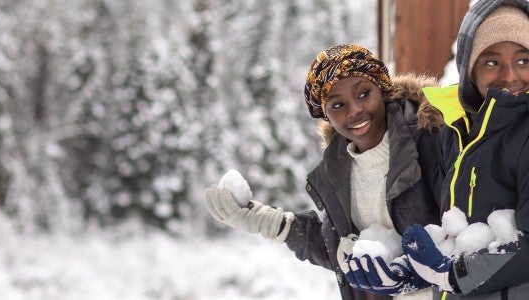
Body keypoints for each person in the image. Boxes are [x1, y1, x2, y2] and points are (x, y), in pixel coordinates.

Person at [204, 44, 444, 300]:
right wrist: (268, 221)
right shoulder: (337, 171)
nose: (354, 111)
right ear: (325, 114)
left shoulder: (431, 142)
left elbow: (463, 238)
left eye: (363, 94)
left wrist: (408, 272)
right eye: (338, 105)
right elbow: (335, 247)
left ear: (382, 90)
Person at [345, 1, 529, 299]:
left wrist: (452, 273)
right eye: (492, 62)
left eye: (524, 60)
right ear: (470, 68)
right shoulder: (455, 132)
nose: (510, 76)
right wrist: (409, 270)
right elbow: (455, 235)